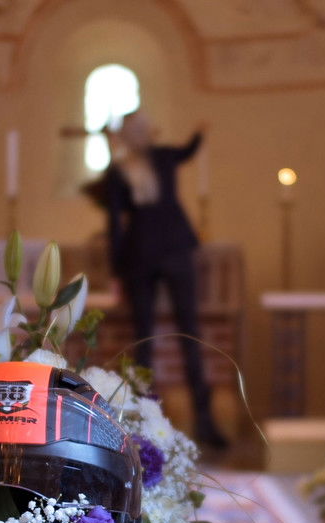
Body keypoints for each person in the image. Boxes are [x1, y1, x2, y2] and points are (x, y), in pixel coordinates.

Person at [104, 110, 227, 449]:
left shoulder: (147, 162)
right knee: (159, 338)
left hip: (151, 252)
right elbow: (114, 224)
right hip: (156, 253)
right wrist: (116, 271)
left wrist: (198, 133)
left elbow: (115, 226)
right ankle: (150, 422)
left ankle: (193, 419)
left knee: (171, 336)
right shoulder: (130, 168)